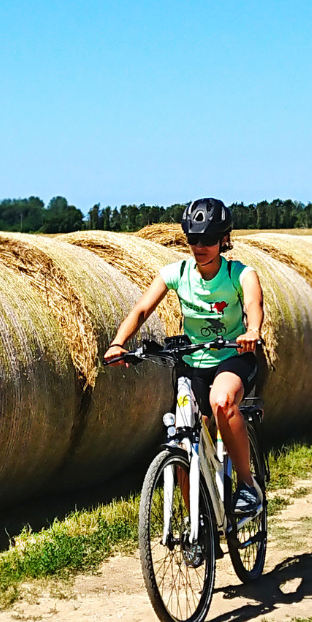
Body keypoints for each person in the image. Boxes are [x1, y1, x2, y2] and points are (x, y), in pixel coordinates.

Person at [104, 198, 267, 514]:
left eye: (208, 239)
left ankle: (247, 486)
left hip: (233, 357)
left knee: (221, 401)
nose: (200, 246)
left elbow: (253, 304)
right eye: (193, 239)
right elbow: (141, 309)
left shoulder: (240, 274)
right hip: (192, 363)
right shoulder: (175, 273)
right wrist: (118, 342)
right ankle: (196, 526)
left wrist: (253, 330)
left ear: (223, 239)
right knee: (182, 440)